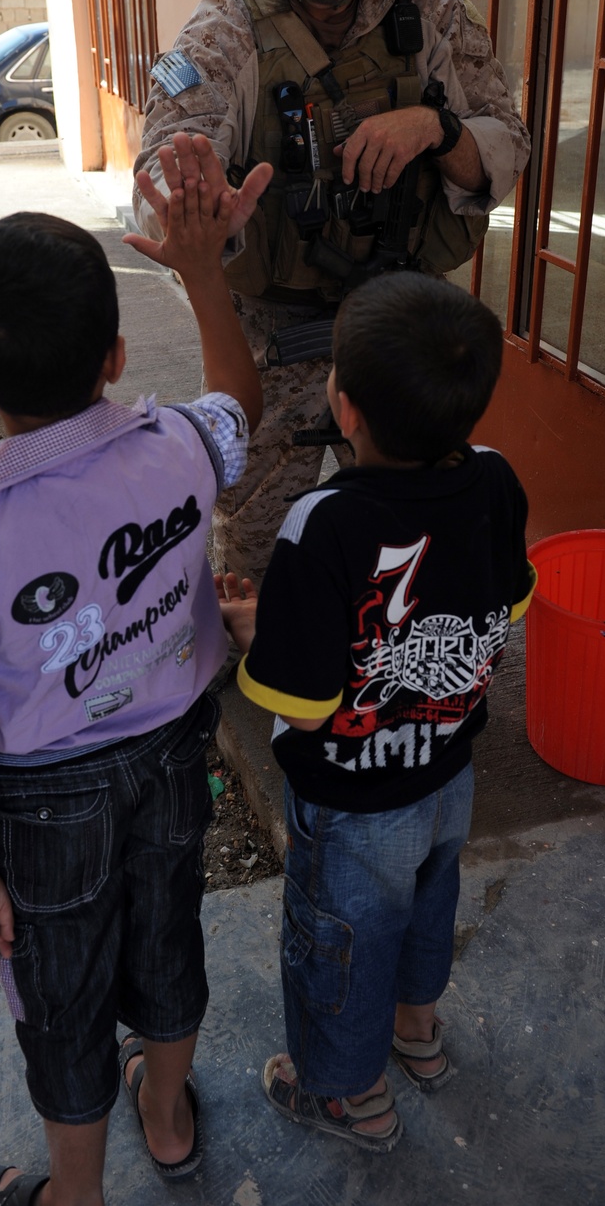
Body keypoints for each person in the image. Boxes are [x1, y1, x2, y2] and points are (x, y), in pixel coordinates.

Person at [0, 134, 271, 1206]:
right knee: (167, 933)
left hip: (43, 808)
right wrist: (201, 271)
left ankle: (75, 1194)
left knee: (60, 996)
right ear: (112, 354)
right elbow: (237, 390)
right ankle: (168, 1116)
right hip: (174, 757)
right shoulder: (184, 446)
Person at [134, 0, 531, 588]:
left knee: (416, 531)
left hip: (399, 326)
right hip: (279, 333)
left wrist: (438, 128)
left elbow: (508, 145)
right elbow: (169, 154)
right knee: (253, 544)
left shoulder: (434, 16)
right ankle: (259, 669)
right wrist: (197, 205)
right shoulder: (227, 25)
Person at [215, 271, 536, 1153]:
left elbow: (306, 705)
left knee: (339, 946)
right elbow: (501, 610)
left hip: (352, 805)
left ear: (344, 409)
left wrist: (256, 634)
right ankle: (419, 1036)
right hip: (448, 777)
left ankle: (348, 1098)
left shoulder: (324, 520)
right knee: (432, 903)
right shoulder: (498, 482)